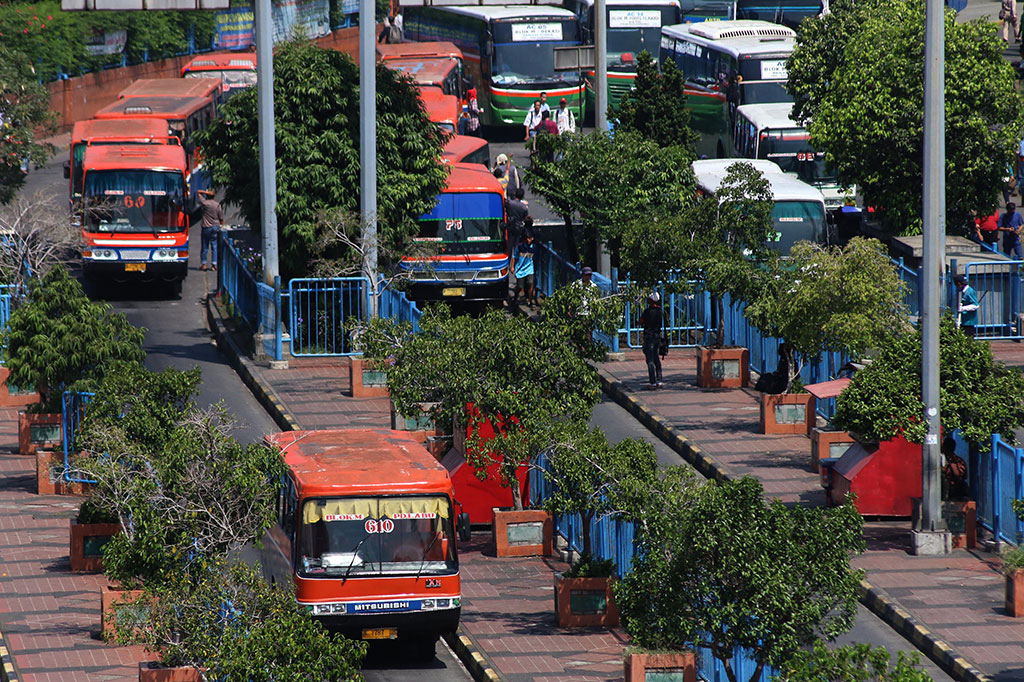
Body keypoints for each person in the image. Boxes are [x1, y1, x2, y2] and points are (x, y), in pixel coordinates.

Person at [640, 292, 664, 389]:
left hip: (649, 337)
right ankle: (659, 380)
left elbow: (641, 321)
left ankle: (652, 382)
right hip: (657, 336)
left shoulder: (647, 311)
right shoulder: (660, 311)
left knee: (650, 360)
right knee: (656, 358)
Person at [197, 189, 224, 271]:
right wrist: (222, 226)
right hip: (215, 227)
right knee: (214, 246)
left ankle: (204, 264)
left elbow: (198, 192)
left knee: (204, 246)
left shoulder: (205, 203)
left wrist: (205, 192)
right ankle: (214, 265)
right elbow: (221, 218)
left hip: (206, 227)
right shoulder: (217, 205)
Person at [511, 230, 537, 306]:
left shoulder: (534, 248)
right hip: (520, 269)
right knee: (520, 286)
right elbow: (514, 256)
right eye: (527, 238)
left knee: (530, 283)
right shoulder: (520, 247)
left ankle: (530, 300)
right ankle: (515, 298)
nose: (528, 240)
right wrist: (512, 267)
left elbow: (535, 259)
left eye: (530, 238)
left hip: (529, 269)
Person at [505, 187, 530, 251]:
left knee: (509, 245)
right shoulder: (524, 207)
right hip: (519, 228)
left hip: (510, 226)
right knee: (516, 245)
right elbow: (526, 218)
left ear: (515, 194)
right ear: (522, 196)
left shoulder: (509, 203)